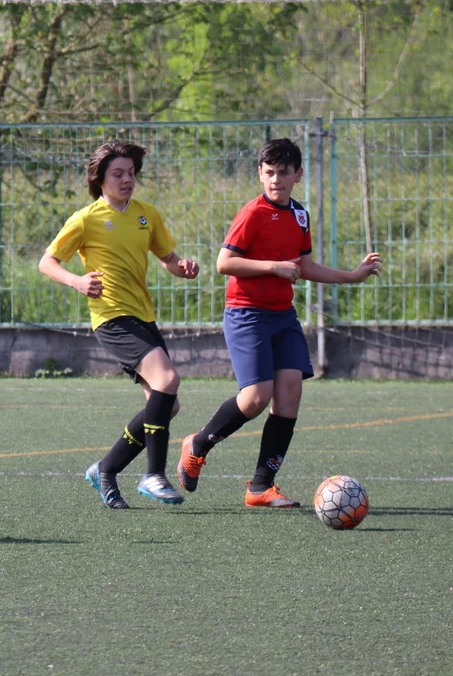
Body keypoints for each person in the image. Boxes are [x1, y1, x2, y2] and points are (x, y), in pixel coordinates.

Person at [176, 138, 381, 508]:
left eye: (283, 173)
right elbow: (224, 263)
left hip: (283, 317)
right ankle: (198, 445)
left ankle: (260, 487)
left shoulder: (300, 215)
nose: (276, 180)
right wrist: (273, 267)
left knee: (289, 394)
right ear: (260, 173)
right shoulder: (252, 214)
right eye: (269, 172)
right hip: (246, 314)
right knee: (256, 398)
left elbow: (304, 266)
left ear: (297, 175)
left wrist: (352, 276)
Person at [39, 141, 200, 509]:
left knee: (167, 405)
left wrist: (182, 268)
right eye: (118, 174)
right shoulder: (86, 219)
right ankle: (154, 475)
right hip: (111, 317)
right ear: (100, 179)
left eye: (131, 173)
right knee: (167, 380)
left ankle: (106, 469)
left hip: (142, 316)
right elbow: (47, 262)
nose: (127, 180)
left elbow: (168, 258)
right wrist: (77, 281)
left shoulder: (146, 214)